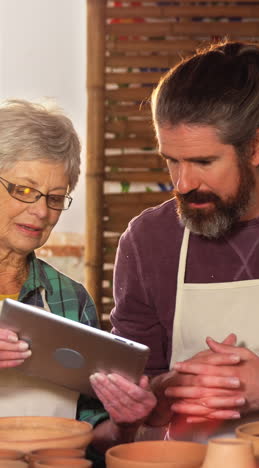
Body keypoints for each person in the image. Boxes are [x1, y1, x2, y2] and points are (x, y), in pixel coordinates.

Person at [110, 39, 259, 442]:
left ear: (257, 147)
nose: (182, 184)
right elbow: (135, 396)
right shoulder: (148, 240)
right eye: (171, 160)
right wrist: (159, 393)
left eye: (202, 162)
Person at [0, 99, 156, 464]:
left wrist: (125, 423)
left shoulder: (71, 299)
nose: (41, 211)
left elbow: (93, 434)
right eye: (24, 190)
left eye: (55, 198)